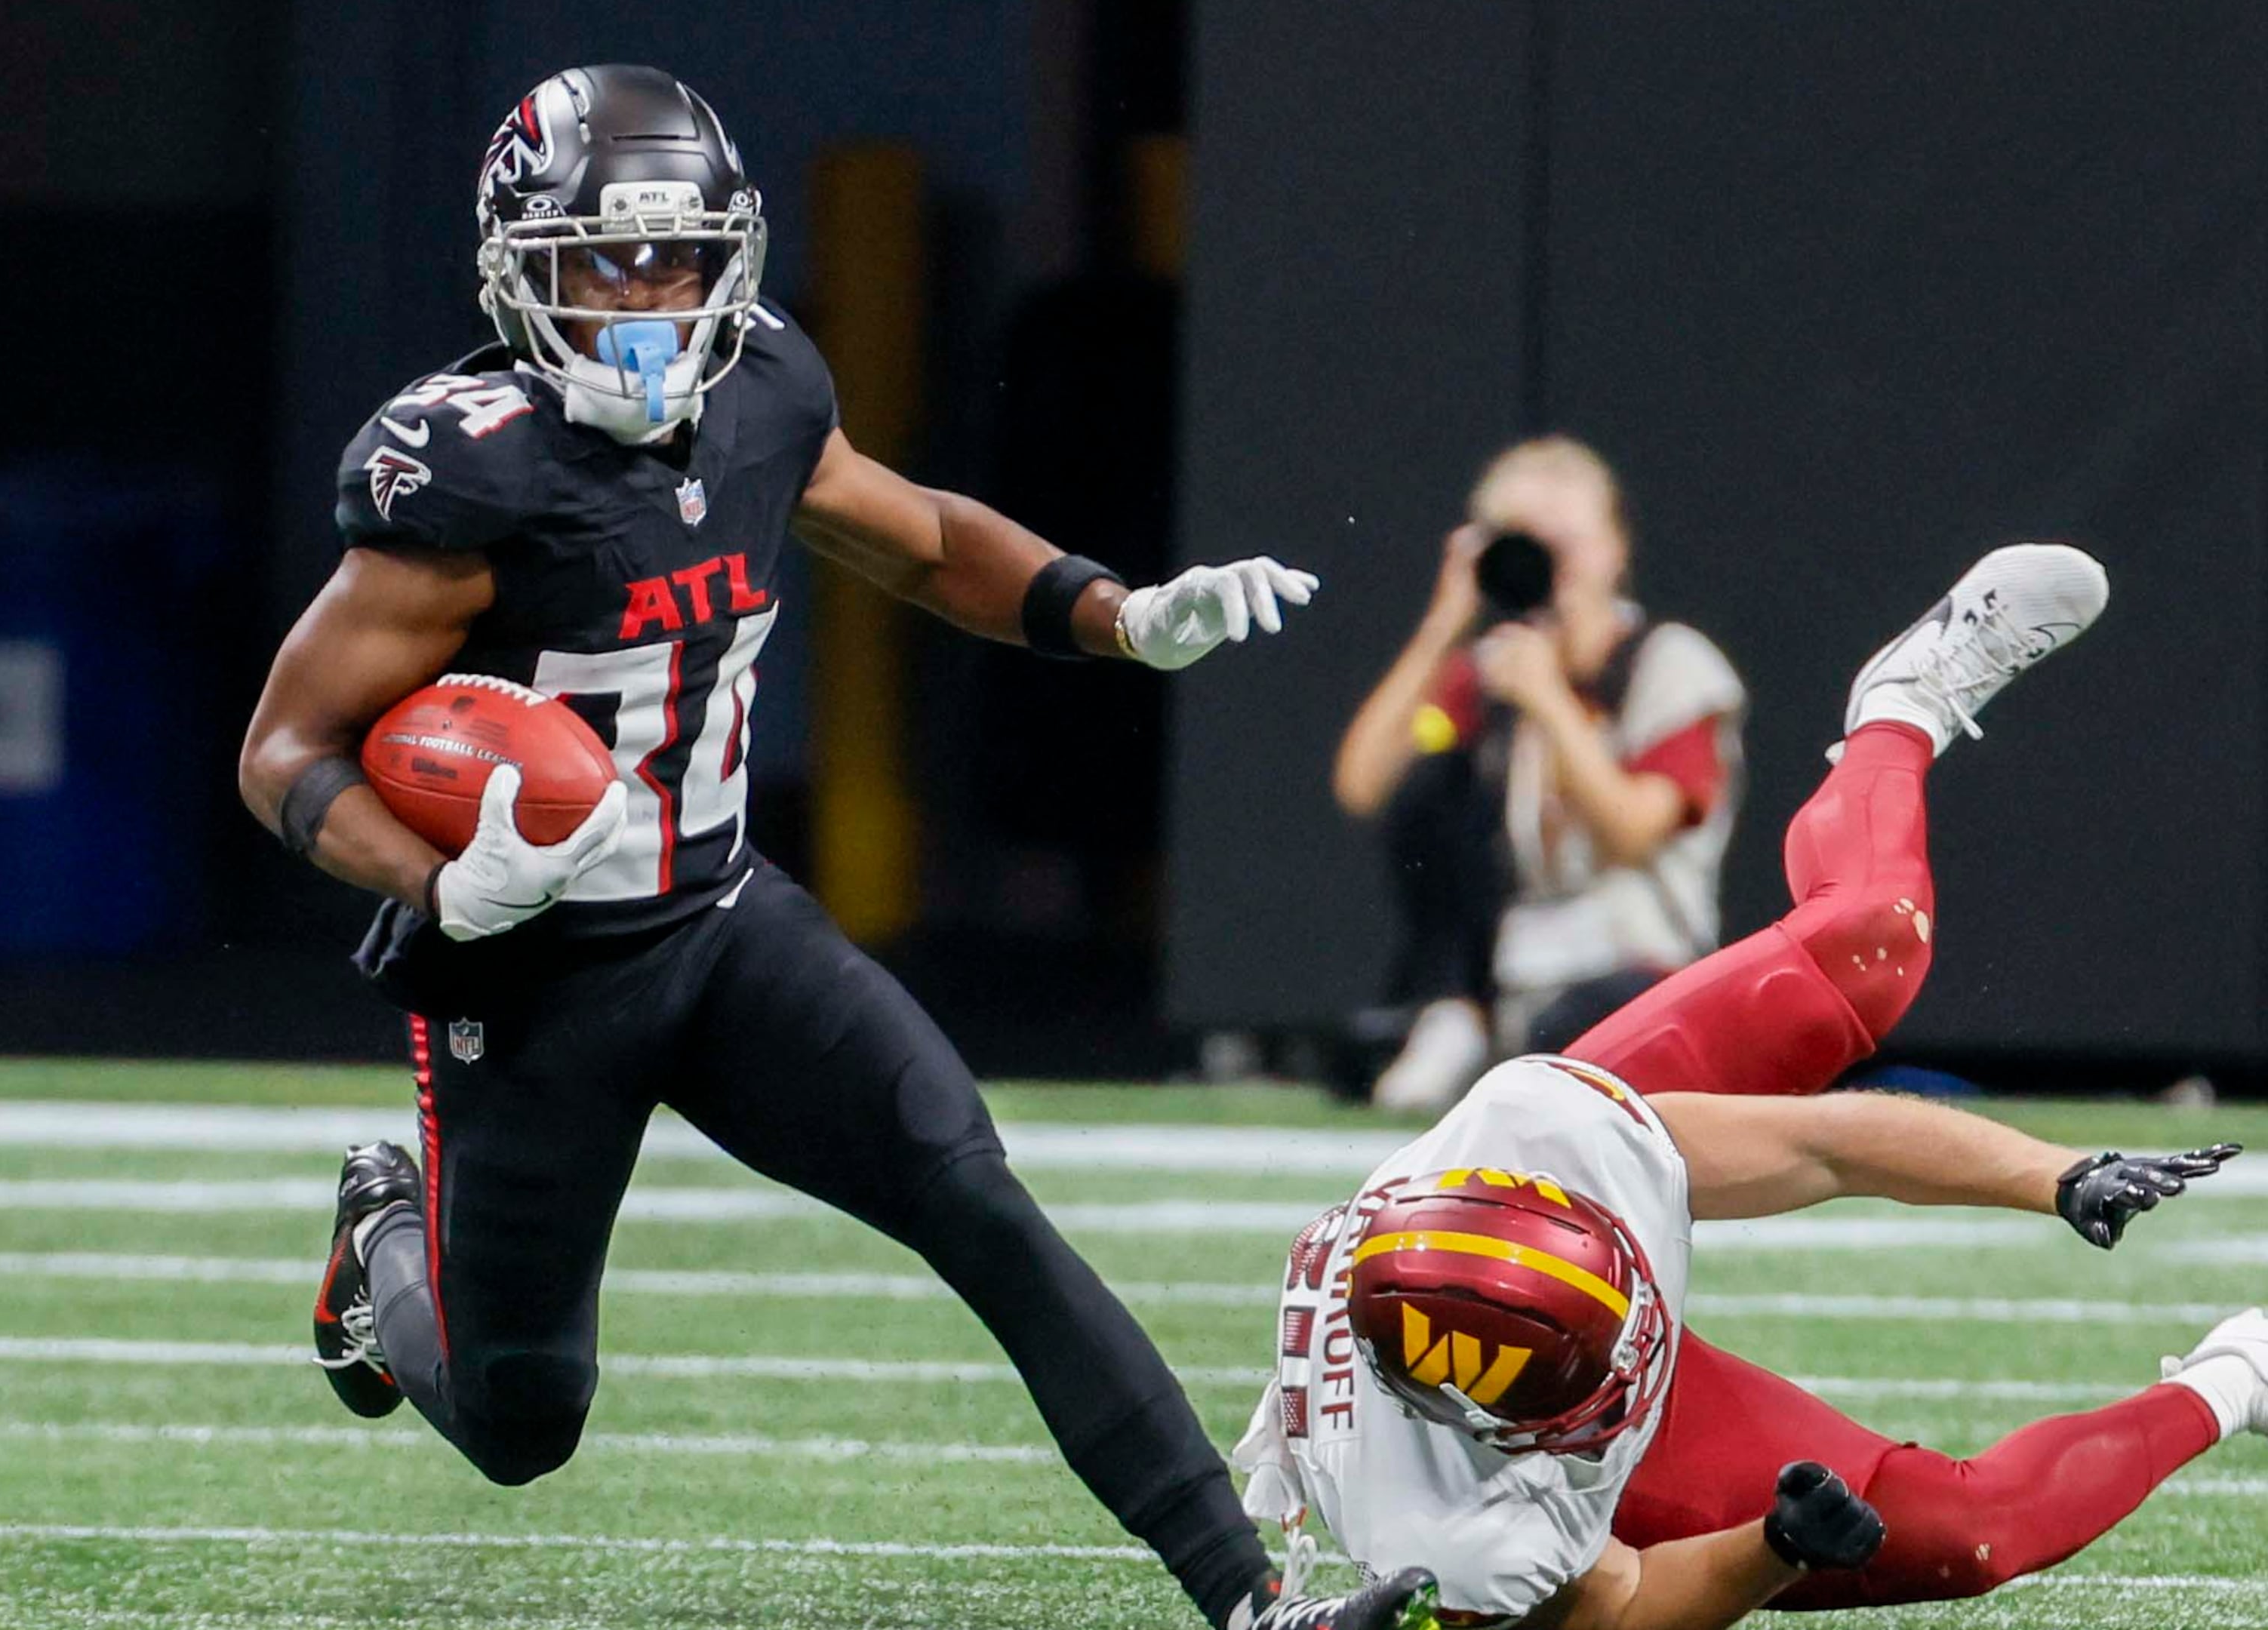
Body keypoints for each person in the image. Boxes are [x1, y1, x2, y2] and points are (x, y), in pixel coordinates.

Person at [235, 66, 1429, 1630]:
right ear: (518, 266)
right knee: (523, 1426)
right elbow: (283, 752)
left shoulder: (766, 391)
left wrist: (1121, 615)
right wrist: (440, 879)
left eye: (678, 259)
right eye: (605, 259)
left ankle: (1249, 1601)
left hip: (721, 922)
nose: (650, 298)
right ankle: (387, 1238)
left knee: (979, 1200)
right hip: (525, 974)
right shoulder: (466, 473)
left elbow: (925, 539)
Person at [1238, 544, 2268, 1627]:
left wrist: (2053, 1175)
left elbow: (1828, 1146)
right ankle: (2251, 1375)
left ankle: (1899, 707)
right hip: (1508, 1475)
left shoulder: (1550, 1142)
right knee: (1967, 1533)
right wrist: (1768, 1553)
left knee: (1874, 943)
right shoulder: (1429, 1521)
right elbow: (1616, 1605)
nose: (1639, 1346)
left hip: (1557, 1139)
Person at [1333, 438, 1743, 1112]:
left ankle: (1486, 1046)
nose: (1551, 569)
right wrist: (1447, 621)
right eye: (1528, 548)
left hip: (1637, 961)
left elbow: (1634, 834)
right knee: (1429, 793)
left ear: (1614, 549)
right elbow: (1364, 783)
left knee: (1571, 1036)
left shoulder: (1668, 664)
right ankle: (1459, 1013)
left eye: (1567, 546)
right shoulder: (1496, 671)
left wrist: (1551, 702)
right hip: (1519, 964)